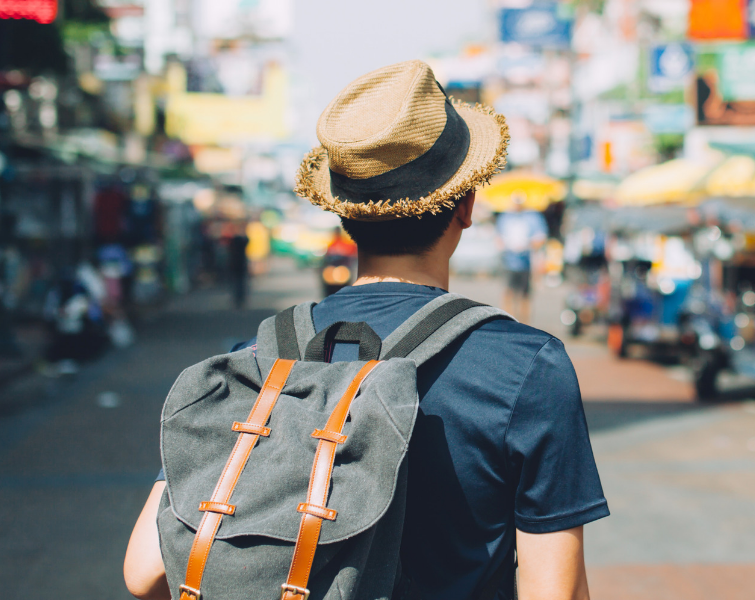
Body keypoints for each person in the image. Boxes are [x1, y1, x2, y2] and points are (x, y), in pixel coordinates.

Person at [124, 61, 607, 600]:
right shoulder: (525, 366)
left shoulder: (261, 357)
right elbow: (555, 592)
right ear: (466, 205)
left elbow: (145, 570)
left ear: (344, 214)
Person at [495, 191, 547, 324]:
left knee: (525, 295)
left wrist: (527, 244)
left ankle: (524, 324)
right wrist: (507, 245)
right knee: (509, 293)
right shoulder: (505, 217)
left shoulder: (533, 217)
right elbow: (498, 238)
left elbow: (541, 237)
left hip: (526, 262)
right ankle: (508, 322)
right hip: (509, 261)